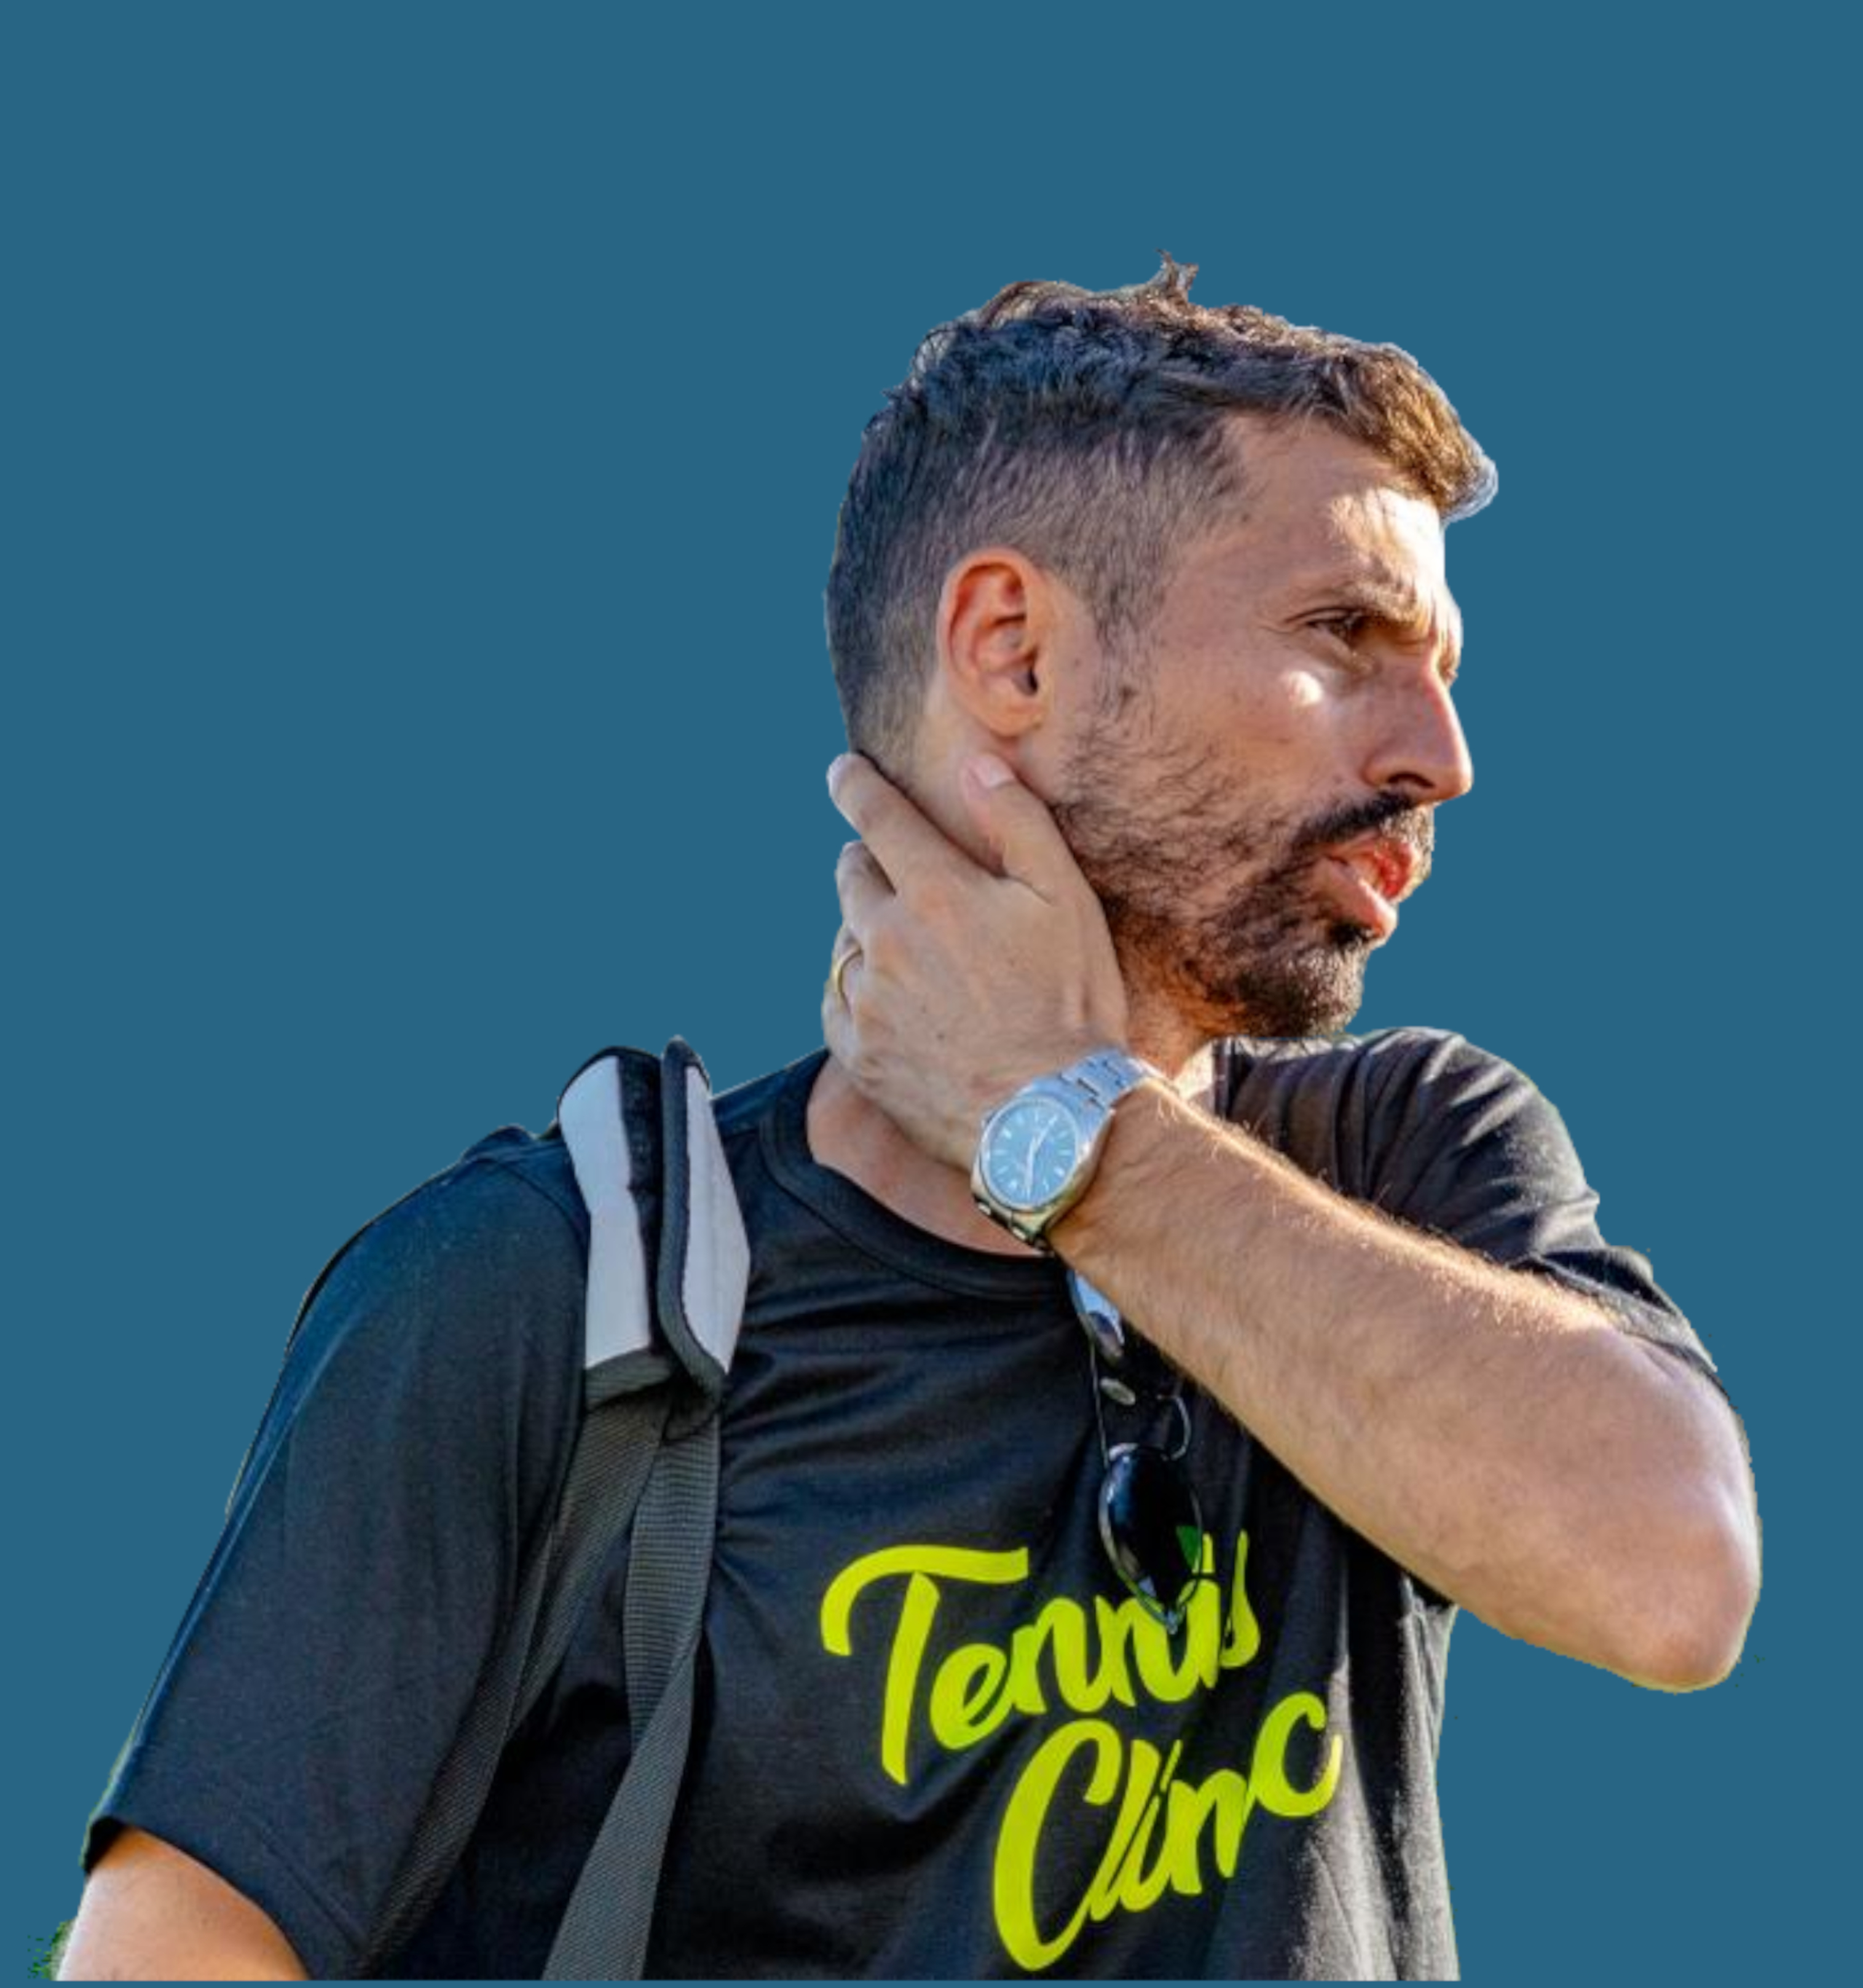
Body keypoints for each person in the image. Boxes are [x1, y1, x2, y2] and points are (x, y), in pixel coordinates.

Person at [62, 256, 1759, 1981]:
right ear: (1011, 649)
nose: (1442, 751)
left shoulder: (1409, 1163)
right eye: (1347, 637)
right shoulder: (556, 1289)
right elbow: (166, 1948)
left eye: (1449, 664)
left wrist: (1069, 1129)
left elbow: (1671, 1577)